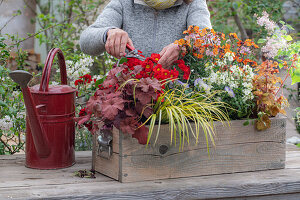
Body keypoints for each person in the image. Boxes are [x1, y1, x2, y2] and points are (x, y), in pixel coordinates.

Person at [80, 0, 211, 68]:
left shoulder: (194, 2)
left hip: (179, 102)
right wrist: (108, 33)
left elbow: (207, 39)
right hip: (132, 99)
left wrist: (183, 46)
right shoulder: (123, 2)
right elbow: (85, 41)